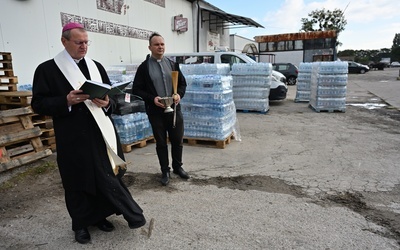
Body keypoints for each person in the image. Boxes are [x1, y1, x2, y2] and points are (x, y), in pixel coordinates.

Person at [31, 22, 146, 244]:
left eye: (86, 42)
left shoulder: (96, 66)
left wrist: (106, 102)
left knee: (104, 175)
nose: (84, 47)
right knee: (77, 179)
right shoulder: (47, 69)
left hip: (100, 132)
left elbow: (110, 98)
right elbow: (39, 104)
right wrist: (65, 100)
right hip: (72, 135)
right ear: (64, 42)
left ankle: (99, 216)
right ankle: (81, 224)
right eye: (78, 42)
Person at [132, 32, 189, 186]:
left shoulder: (172, 64)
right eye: (156, 44)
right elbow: (136, 89)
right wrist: (152, 99)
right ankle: (165, 170)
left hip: (174, 110)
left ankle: (178, 167)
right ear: (150, 47)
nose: (160, 47)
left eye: (162, 44)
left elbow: (183, 84)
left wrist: (179, 95)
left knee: (177, 140)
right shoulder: (144, 68)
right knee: (161, 142)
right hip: (156, 111)